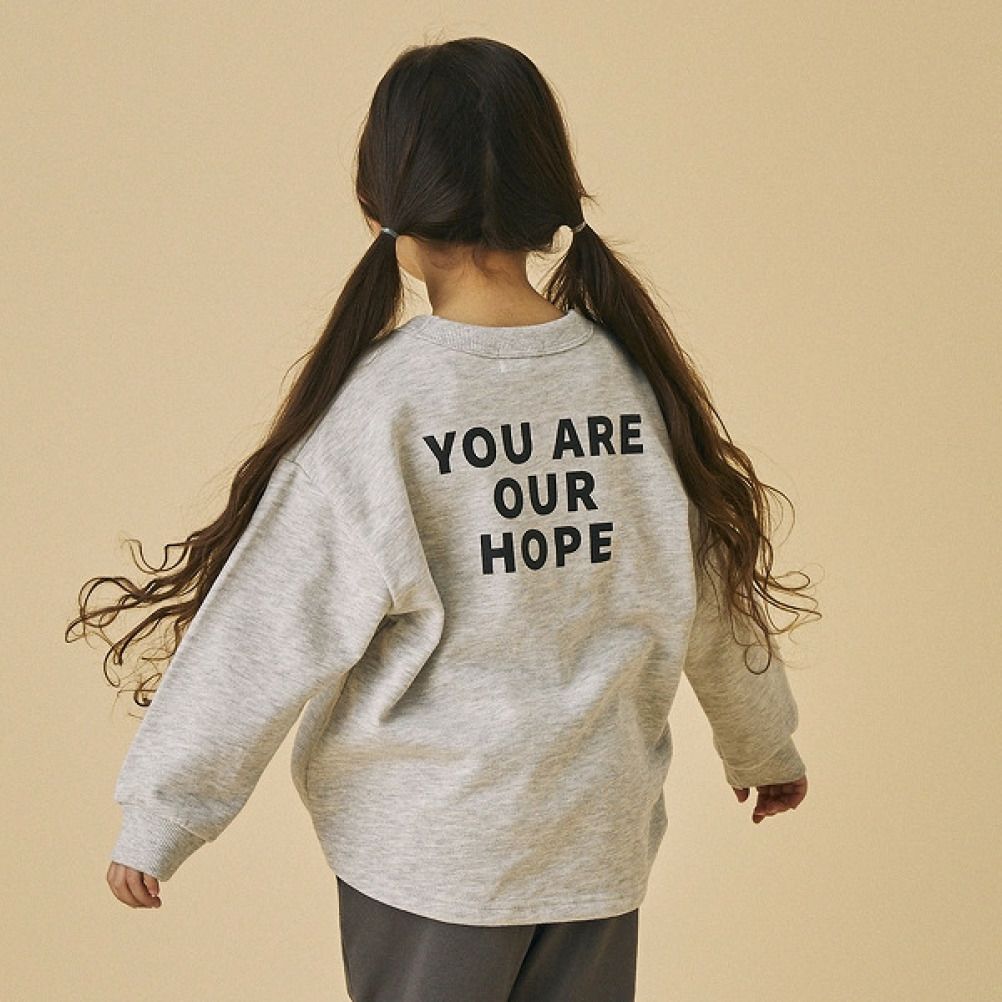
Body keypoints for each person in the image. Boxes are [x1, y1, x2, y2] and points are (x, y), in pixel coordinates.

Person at [74, 35, 815, 1002]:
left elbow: (269, 623)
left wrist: (163, 815)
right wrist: (762, 743)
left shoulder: (385, 409)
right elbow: (711, 592)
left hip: (430, 857)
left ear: (384, 203)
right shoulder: (633, 387)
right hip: (595, 848)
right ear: (551, 193)